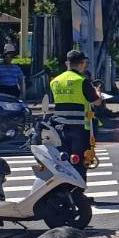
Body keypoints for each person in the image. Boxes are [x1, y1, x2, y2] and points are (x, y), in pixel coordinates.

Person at [48, 50, 105, 178]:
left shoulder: (55, 81)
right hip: (80, 128)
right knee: (80, 162)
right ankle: (78, 188)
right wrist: (97, 90)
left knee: (63, 161)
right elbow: (97, 102)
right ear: (81, 63)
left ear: (67, 63)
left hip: (60, 128)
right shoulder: (82, 80)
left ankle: (65, 187)